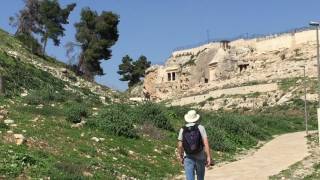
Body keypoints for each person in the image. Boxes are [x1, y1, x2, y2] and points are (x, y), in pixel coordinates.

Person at [177, 110, 211, 180]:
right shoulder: (201, 127)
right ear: (196, 118)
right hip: (200, 157)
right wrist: (208, 157)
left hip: (188, 157)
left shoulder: (182, 129)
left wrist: (180, 155)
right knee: (200, 178)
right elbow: (206, 143)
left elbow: (180, 145)